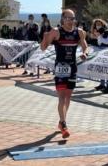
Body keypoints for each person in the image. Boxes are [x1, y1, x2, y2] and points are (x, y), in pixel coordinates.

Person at [41, 9, 88, 138]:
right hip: (61, 68)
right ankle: (63, 123)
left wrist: (85, 53)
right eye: (68, 18)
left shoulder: (79, 32)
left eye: (73, 18)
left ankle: (62, 122)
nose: (71, 21)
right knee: (61, 96)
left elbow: (85, 45)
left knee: (68, 97)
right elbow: (43, 48)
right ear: (63, 19)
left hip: (72, 67)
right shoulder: (56, 32)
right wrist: (45, 37)